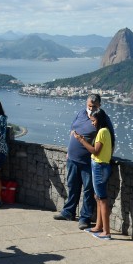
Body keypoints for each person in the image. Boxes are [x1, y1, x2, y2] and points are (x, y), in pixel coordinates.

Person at [54, 93, 114, 230]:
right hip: (73, 158)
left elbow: (110, 139)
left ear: (99, 106)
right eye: (89, 106)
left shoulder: (103, 119)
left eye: (94, 106)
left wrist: (106, 159)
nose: (91, 109)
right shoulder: (81, 113)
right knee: (72, 186)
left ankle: (85, 218)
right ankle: (68, 212)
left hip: (88, 161)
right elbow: (73, 128)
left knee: (88, 190)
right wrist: (70, 149)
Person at [72, 109, 115, 239]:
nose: (92, 123)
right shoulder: (106, 131)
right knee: (98, 197)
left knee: (102, 199)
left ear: (99, 120)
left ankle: (106, 232)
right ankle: (98, 226)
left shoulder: (102, 132)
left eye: (94, 121)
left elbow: (95, 151)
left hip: (99, 166)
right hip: (102, 166)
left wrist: (81, 140)